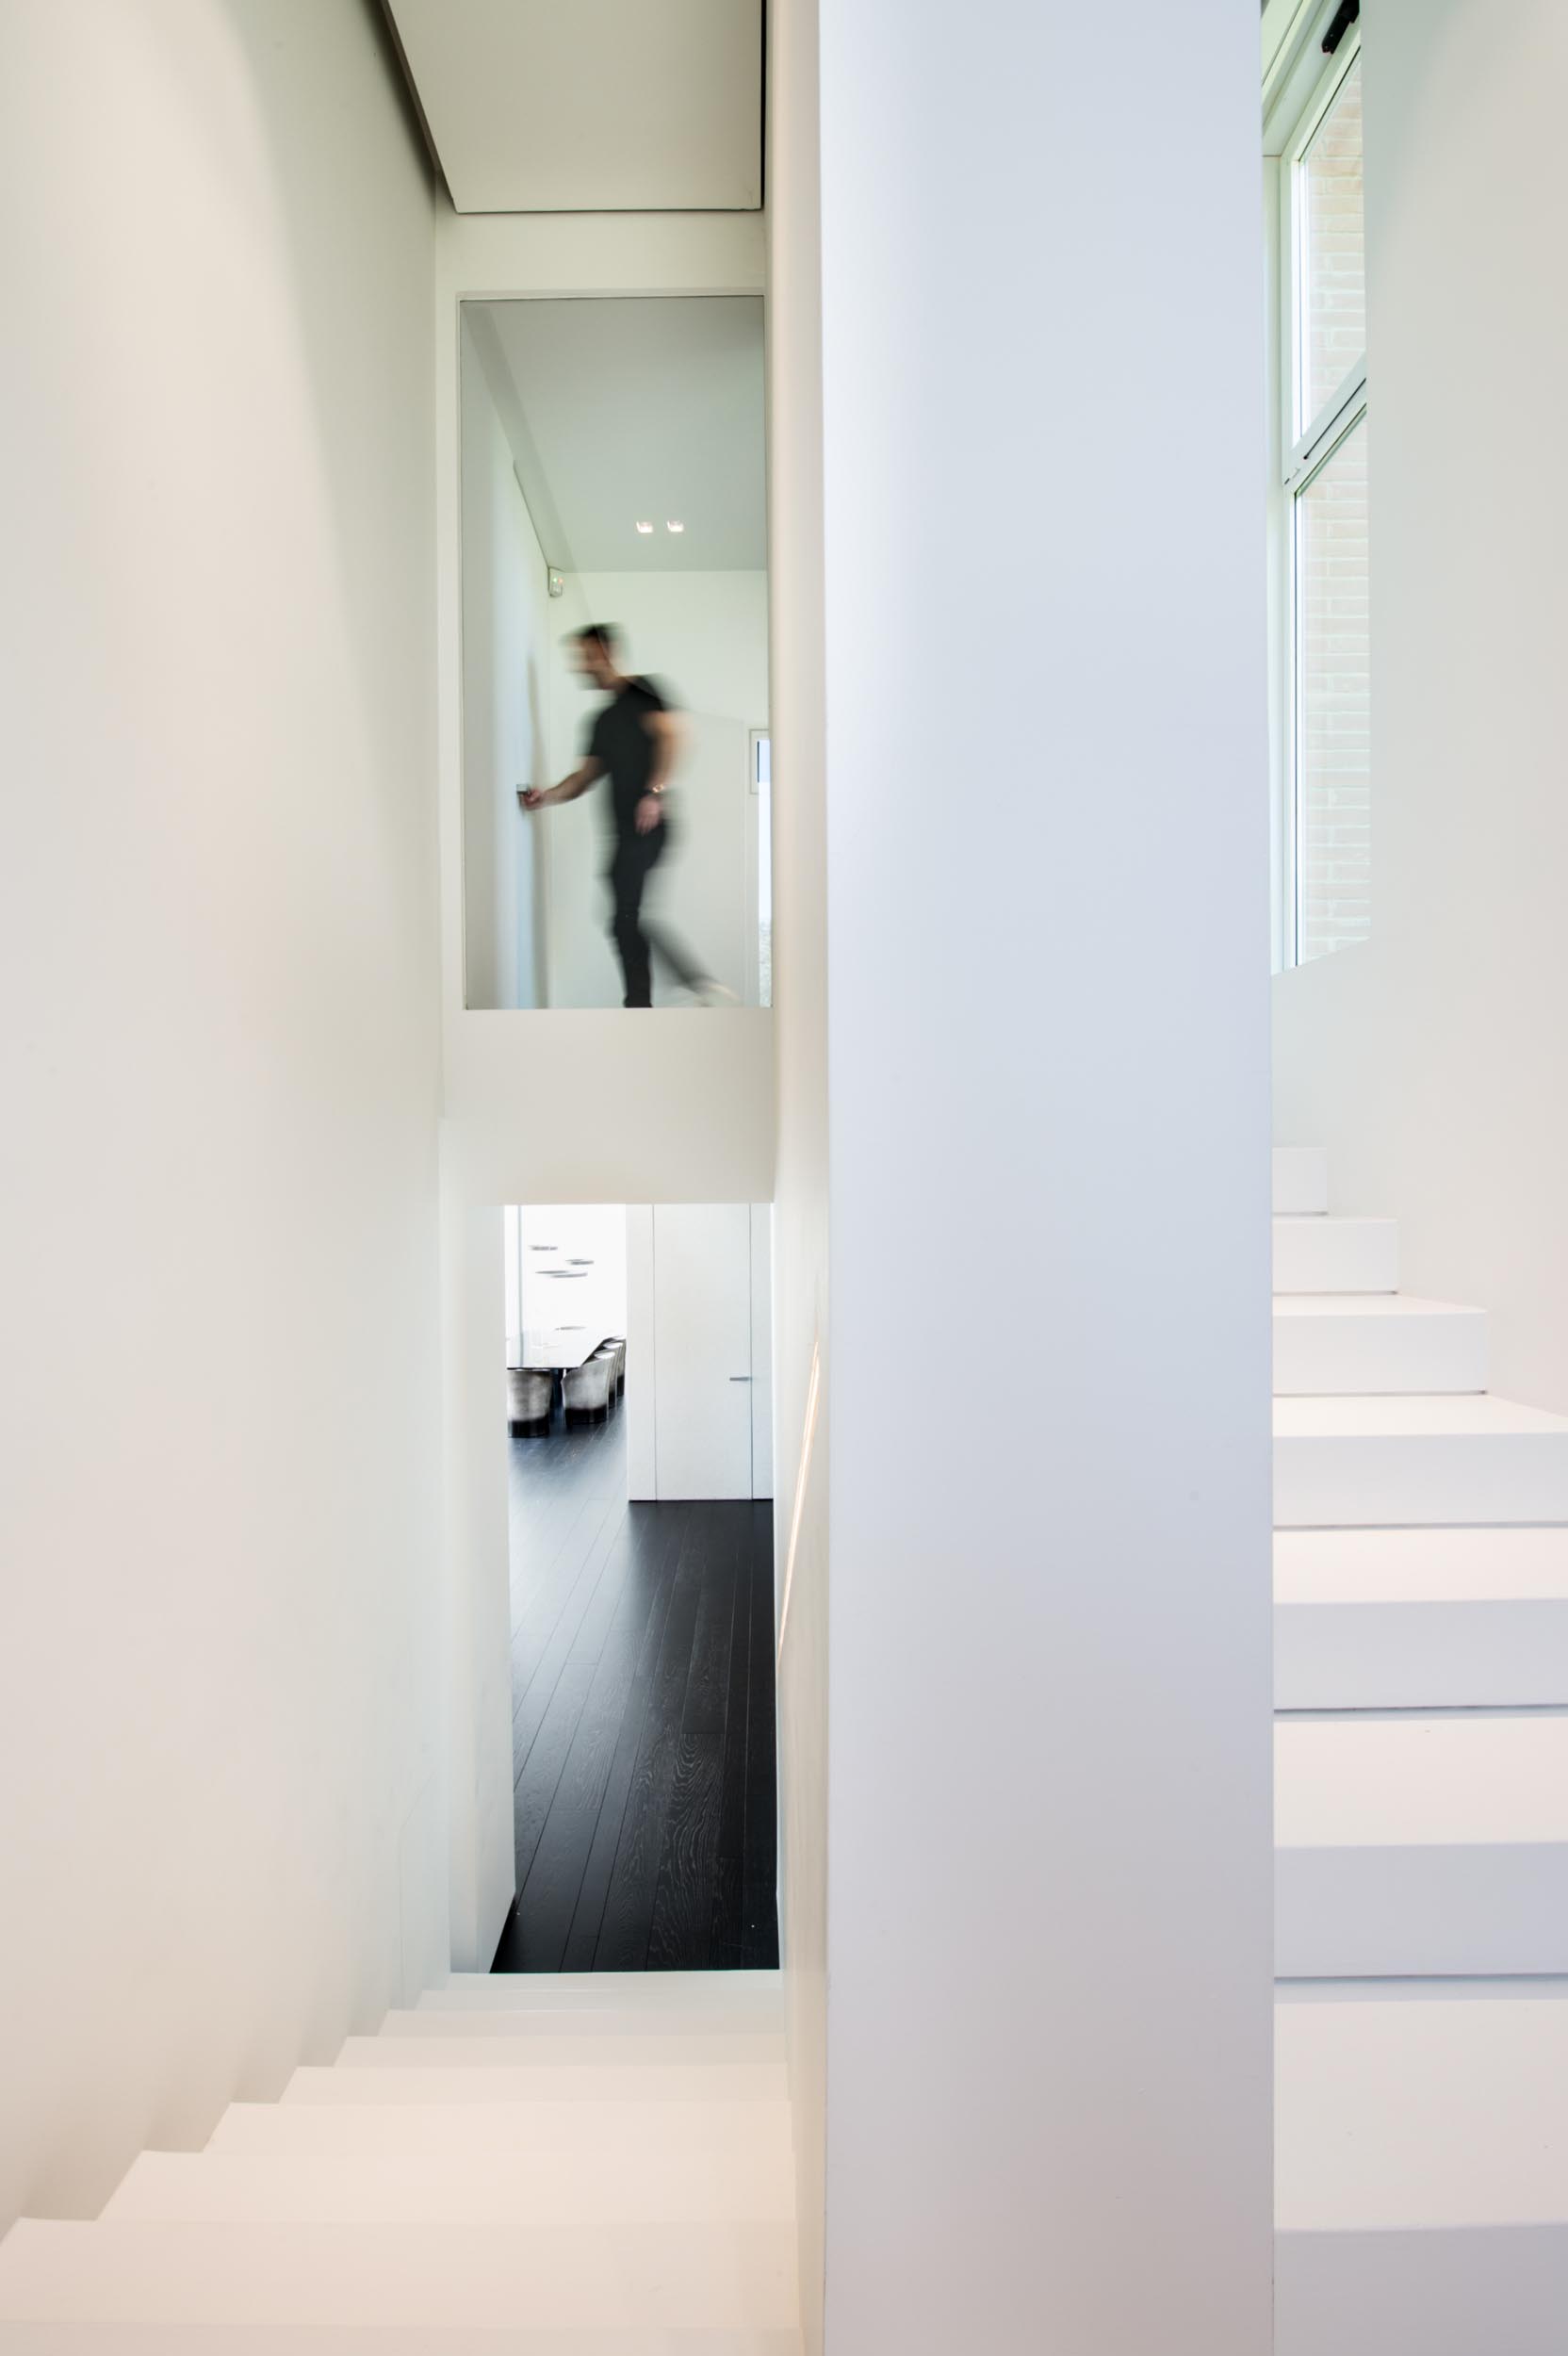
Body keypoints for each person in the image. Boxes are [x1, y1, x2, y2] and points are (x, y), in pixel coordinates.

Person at [521, 624, 727, 1009]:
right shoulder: (602, 723)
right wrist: (545, 796)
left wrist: (654, 792)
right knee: (622, 919)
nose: (581, 666)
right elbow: (583, 779)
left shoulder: (644, 691)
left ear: (606, 651)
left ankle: (686, 987)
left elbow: (672, 737)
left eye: (585, 656)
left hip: (650, 824)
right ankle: (651, 1001)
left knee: (626, 914)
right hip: (623, 833)